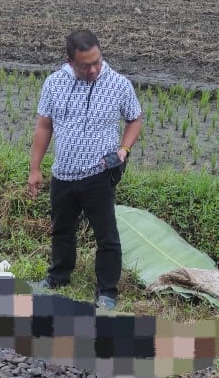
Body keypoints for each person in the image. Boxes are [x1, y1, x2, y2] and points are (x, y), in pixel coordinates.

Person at [28, 29, 143, 311]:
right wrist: (35, 169)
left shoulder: (118, 84)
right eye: (85, 65)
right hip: (63, 173)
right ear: (70, 61)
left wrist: (123, 150)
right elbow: (44, 126)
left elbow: (135, 119)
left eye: (97, 62)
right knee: (62, 230)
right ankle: (58, 278)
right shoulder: (54, 83)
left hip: (99, 174)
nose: (93, 69)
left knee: (107, 236)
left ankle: (106, 291)